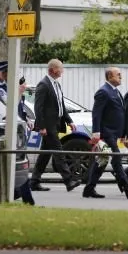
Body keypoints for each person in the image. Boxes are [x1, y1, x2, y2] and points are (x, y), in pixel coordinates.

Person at [82, 67, 128, 199]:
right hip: (107, 132)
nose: (121, 77)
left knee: (102, 161)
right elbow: (96, 114)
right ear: (110, 77)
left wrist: (124, 134)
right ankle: (127, 188)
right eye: (118, 75)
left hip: (115, 133)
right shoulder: (103, 92)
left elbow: (120, 113)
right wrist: (96, 132)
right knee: (116, 158)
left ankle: (89, 189)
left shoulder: (115, 91)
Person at [29, 59, 81, 192]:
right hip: (48, 125)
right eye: (60, 68)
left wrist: (69, 121)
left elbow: (60, 105)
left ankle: (34, 181)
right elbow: (38, 108)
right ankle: (68, 181)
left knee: (45, 154)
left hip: (56, 124)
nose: (62, 71)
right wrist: (41, 127)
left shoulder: (56, 84)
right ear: (53, 70)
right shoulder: (43, 85)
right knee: (58, 152)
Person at [0, 61, 35, 205]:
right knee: (12, 165)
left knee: (20, 165)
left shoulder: (13, 86)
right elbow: (8, 106)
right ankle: (26, 200)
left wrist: (26, 119)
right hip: (5, 131)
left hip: (19, 131)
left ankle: (19, 198)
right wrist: (19, 93)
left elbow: (19, 108)